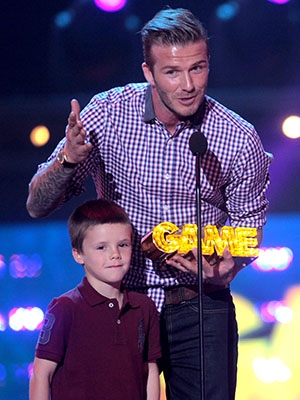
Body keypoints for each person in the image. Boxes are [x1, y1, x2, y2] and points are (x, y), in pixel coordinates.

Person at [26, 7, 272, 400]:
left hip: (199, 305)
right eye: (173, 72)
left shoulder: (238, 139)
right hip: (122, 305)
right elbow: (37, 204)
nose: (188, 85)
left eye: (199, 68)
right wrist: (68, 159)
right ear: (148, 73)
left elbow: (248, 227)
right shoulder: (108, 114)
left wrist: (227, 267)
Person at [29, 199, 161, 400]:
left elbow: (150, 369)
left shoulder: (144, 307)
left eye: (123, 245)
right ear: (78, 254)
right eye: (101, 248)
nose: (115, 255)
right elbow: (41, 374)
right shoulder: (65, 308)